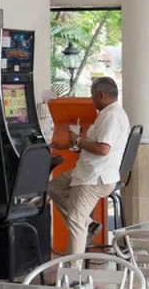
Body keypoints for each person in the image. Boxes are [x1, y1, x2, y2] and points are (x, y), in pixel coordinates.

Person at [48, 77, 130, 254]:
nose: (91, 100)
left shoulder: (112, 116)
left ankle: (72, 270)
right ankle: (89, 224)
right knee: (54, 187)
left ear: (101, 95)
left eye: (92, 96)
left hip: (94, 177)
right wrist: (68, 145)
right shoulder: (107, 114)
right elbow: (94, 144)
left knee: (76, 222)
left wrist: (78, 140)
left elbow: (103, 149)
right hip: (86, 170)